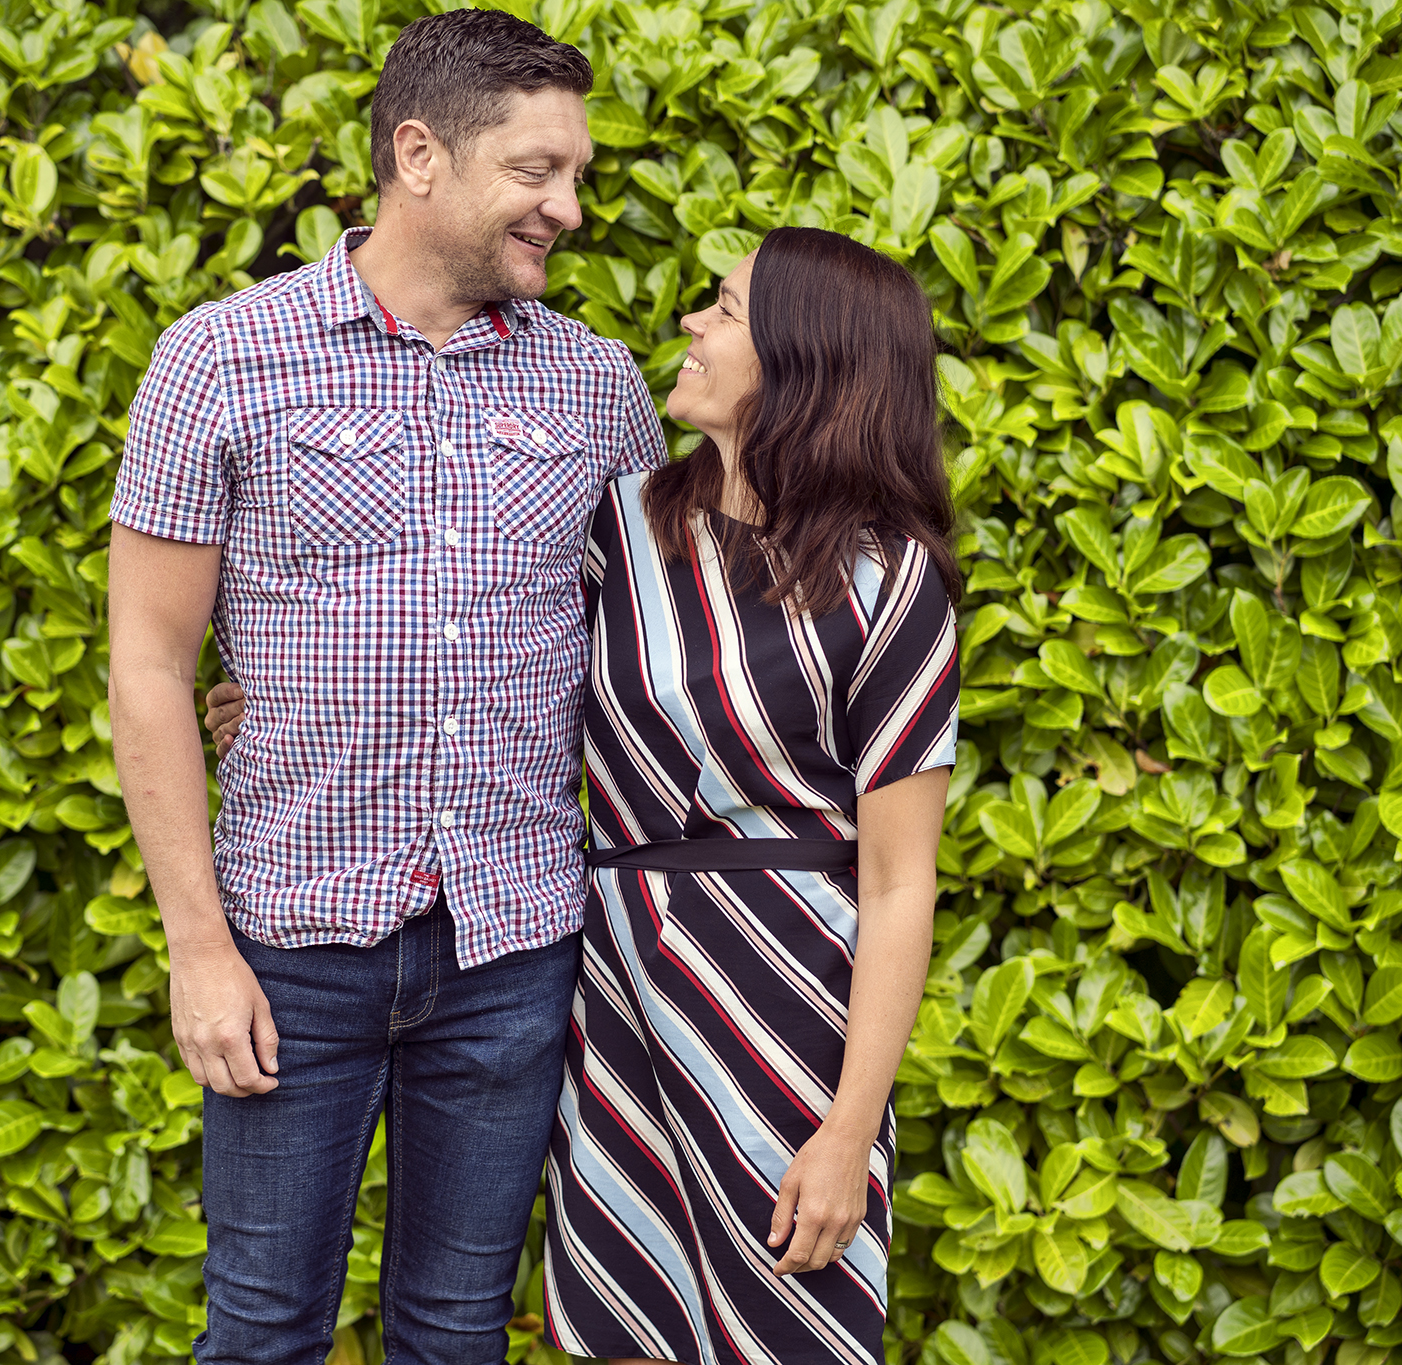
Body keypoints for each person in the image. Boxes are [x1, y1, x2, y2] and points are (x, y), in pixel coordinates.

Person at [103, 10, 665, 1363]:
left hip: (512, 950)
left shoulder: (598, 386)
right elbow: (149, 664)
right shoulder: (218, 359)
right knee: (261, 1330)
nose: (568, 208)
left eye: (575, 175)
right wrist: (198, 950)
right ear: (419, 155)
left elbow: (656, 644)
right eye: (536, 170)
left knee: (457, 1330)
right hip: (289, 945)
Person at [541, 228, 963, 1362]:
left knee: (791, 1331)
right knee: (620, 1323)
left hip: (791, 1017)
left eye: (724, 308)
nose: (689, 322)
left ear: (803, 359)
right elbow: (486, 674)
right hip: (619, 996)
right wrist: (283, 700)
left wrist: (849, 1129)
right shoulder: (619, 526)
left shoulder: (890, 579)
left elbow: (900, 882)